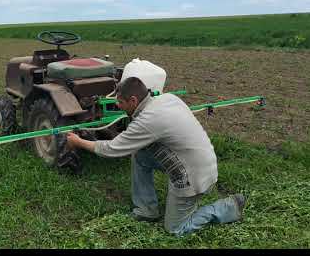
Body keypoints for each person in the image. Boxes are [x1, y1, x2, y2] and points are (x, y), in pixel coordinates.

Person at [66, 76, 246, 236]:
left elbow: (111, 149)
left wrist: (78, 142)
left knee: (176, 229)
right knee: (140, 155)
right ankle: (146, 210)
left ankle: (228, 207)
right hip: (202, 160)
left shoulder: (148, 121)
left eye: (120, 102)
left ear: (133, 100)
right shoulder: (168, 98)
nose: (118, 106)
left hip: (193, 176)